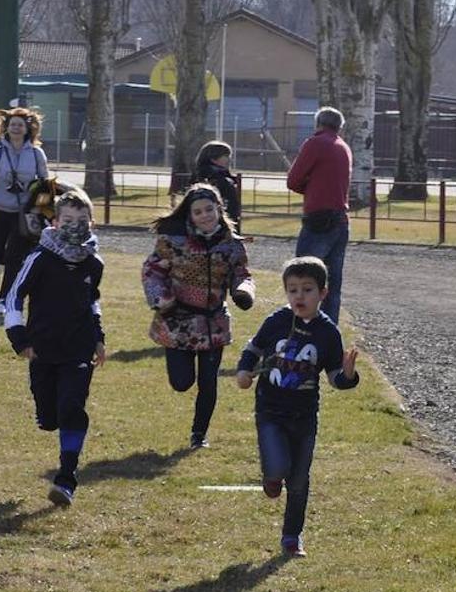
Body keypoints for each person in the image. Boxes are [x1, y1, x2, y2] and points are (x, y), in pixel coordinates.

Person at [236, 256, 359, 557]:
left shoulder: (328, 333)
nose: (299, 296)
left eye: (307, 290)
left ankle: (292, 536)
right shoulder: (276, 321)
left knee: (300, 479)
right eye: (292, 290)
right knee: (278, 466)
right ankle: (272, 476)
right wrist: (244, 370)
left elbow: (334, 378)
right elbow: (253, 347)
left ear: (322, 294)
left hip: (304, 415)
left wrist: (348, 375)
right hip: (270, 410)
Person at [4, 189, 105, 507]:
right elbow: (14, 296)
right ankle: (50, 415)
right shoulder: (40, 258)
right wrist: (19, 338)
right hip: (43, 348)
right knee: (49, 416)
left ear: (91, 222)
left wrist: (99, 337)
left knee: (72, 409)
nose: (75, 225)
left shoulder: (93, 263)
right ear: (56, 221)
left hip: (79, 348)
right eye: (67, 219)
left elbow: (92, 301)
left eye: (81, 220)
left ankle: (66, 480)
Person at [142, 183, 255, 449]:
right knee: (182, 383)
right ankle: (182, 382)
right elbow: (152, 271)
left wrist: (243, 291)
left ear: (219, 209)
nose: (205, 215)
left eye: (209, 209)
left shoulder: (231, 246)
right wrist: (161, 299)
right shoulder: (173, 242)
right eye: (198, 212)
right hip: (178, 323)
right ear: (189, 215)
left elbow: (242, 274)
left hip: (214, 323)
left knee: (209, 381)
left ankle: (199, 435)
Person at [0, 107, 50, 312]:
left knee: (14, 257)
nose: (15, 128)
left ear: (27, 129)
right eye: (12, 124)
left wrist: (45, 210)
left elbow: (45, 184)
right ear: (6, 127)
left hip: (23, 214)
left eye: (20, 125)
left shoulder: (36, 154)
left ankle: (3, 298)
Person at [287, 107, 352, 324]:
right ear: (339, 126)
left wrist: (311, 188)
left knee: (302, 276)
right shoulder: (344, 147)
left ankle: (300, 324)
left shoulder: (315, 143)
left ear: (318, 123)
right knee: (332, 284)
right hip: (341, 219)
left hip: (318, 220)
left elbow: (293, 180)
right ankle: (329, 331)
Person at [192, 140, 242, 232]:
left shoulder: (222, 176)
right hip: (216, 225)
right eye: (226, 156)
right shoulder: (213, 178)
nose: (229, 159)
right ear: (213, 159)